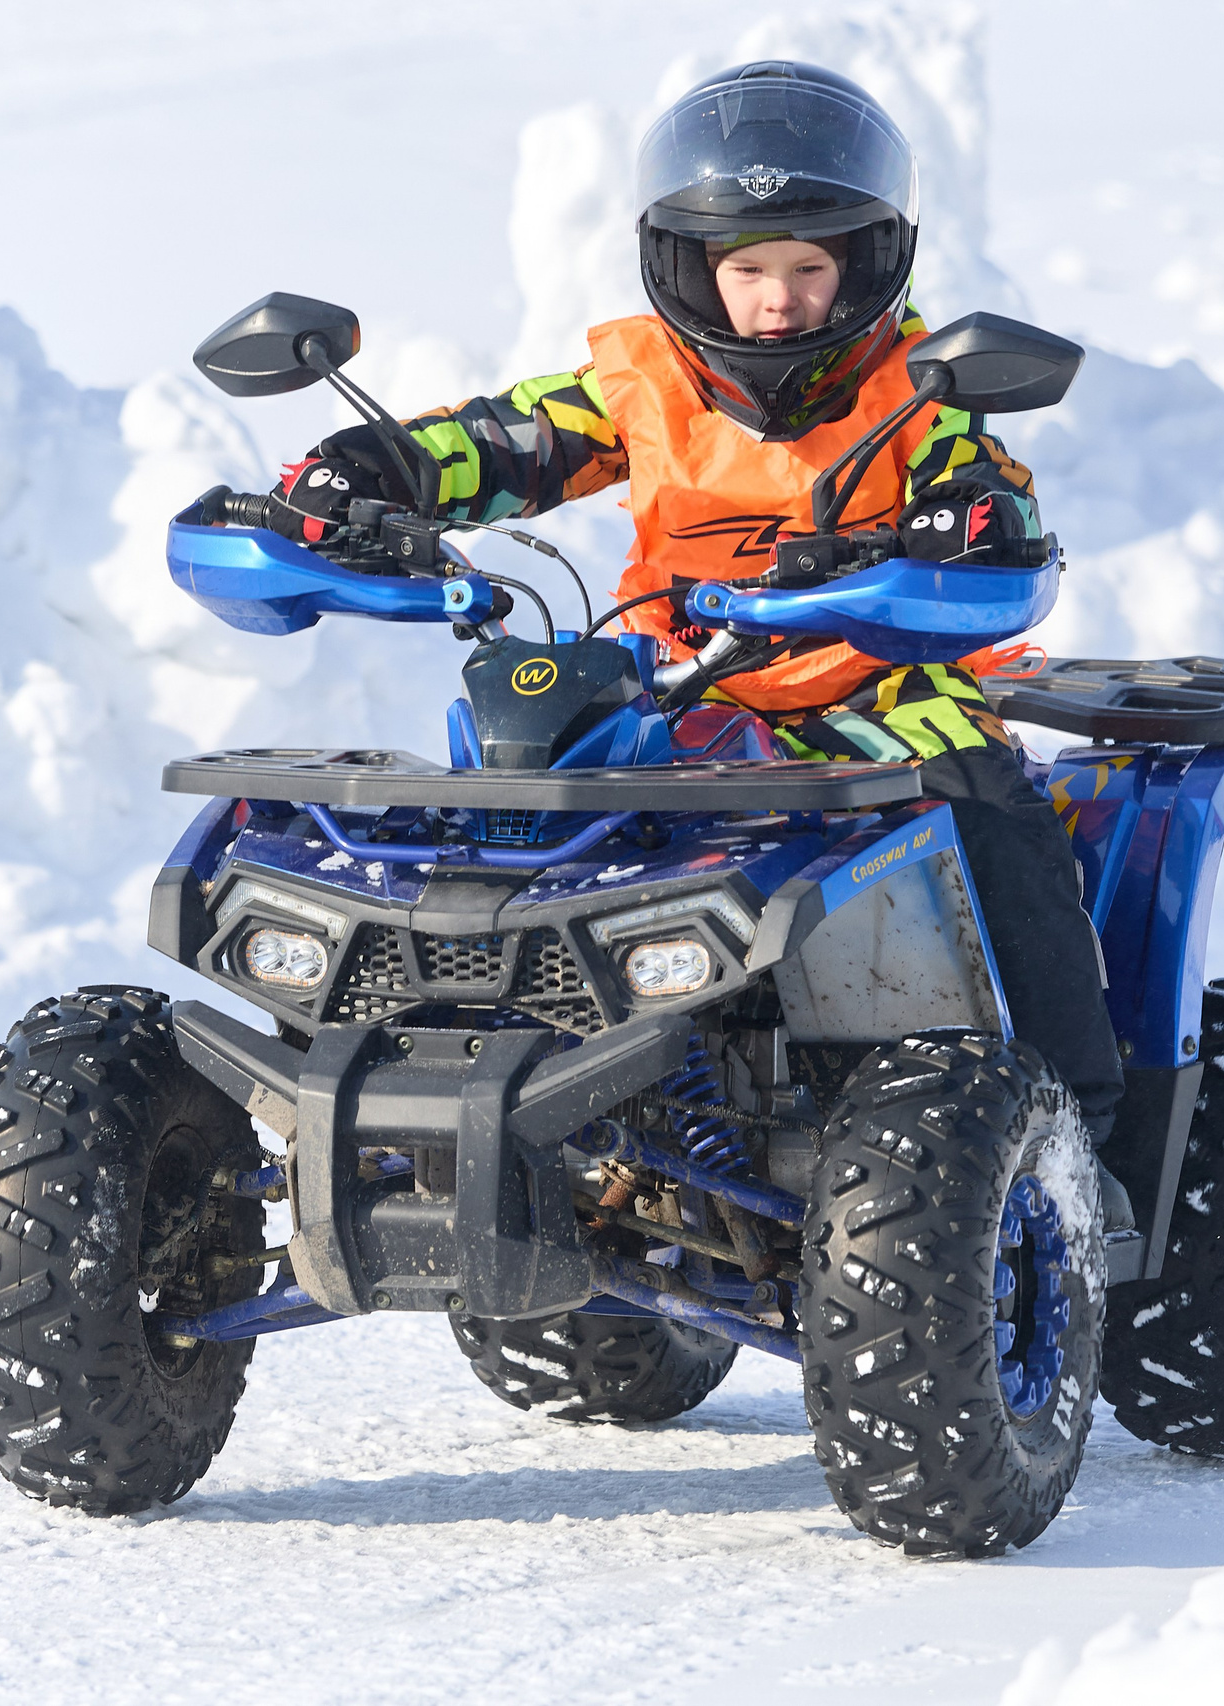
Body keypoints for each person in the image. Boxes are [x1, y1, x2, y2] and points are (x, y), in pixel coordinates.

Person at [265, 61, 1127, 1158]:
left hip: (879, 695)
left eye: (810, 264)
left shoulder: (920, 392)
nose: (780, 299)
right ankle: (513, 1091)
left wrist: (962, 522)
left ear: (864, 262)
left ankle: (1078, 1139)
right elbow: (495, 443)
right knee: (505, 834)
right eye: (749, 267)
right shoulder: (643, 384)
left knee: (998, 820)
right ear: (689, 265)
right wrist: (362, 471)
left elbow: (993, 502)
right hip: (675, 699)